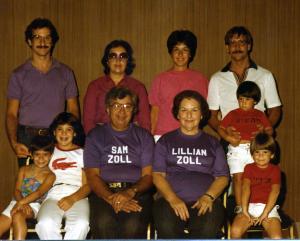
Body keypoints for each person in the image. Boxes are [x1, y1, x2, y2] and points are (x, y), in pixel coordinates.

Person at [152, 90, 229, 239]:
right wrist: (173, 199)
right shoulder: (165, 141)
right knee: (167, 226)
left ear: (201, 115)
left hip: (205, 202)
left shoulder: (213, 143)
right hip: (169, 201)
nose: (189, 115)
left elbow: (222, 177)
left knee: (207, 228)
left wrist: (208, 196)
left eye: (194, 110)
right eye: (184, 110)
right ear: (177, 114)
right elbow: (157, 175)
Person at [6, 17, 79, 167]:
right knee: (30, 186)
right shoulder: (18, 74)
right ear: (29, 41)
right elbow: (11, 114)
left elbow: (73, 109)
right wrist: (14, 143)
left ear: (53, 41)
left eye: (47, 37)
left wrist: (71, 137)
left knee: (57, 185)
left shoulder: (66, 73)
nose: (42, 42)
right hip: (27, 139)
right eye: (37, 37)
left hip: (57, 137)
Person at [84, 87, 154, 239]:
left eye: (127, 106)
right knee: (103, 223)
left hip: (137, 192)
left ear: (134, 110)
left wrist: (130, 192)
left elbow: (148, 176)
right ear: (108, 109)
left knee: (132, 225)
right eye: (116, 106)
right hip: (104, 191)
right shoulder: (94, 136)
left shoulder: (144, 137)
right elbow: (92, 176)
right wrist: (112, 198)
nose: (122, 112)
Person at [207, 26, 282, 138]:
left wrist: (265, 131)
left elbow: (275, 109)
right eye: (232, 43)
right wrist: (224, 131)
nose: (237, 46)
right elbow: (211, 115)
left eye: (241, 42)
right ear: (227, 48)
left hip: (258, 142)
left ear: (249, 46)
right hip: (229, 140)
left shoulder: (265, 75)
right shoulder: (217, 78)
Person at [218, 81, 273, 212]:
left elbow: (270, 130)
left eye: (247, 99)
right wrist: (228, 138)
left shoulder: (259, 114)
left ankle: (254, 204)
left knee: (253, 178)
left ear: (255, 101)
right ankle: (239, 207)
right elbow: (221, 128)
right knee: (238, 178)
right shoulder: (233, 113)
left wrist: (263, 132)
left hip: (254, 150)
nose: (243, 102)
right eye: (240, 99)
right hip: (237, 149)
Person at [35, 112, 90, 240]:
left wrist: (72, 198)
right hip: (53, 194)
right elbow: (35, 175)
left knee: (81, 224)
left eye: (68, 130)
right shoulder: (48, 151)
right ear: (54, 132)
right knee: (45, 224)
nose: (64, 133)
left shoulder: (83, 153)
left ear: (75, 133)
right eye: (60, 129)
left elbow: (88, 185)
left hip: (78, 194)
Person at [149, 30, 208, 141]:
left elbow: (203, 110)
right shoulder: (160, 79)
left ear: (191, 54)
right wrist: (151, 135)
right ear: (171, 52)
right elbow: (154, 110)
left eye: (185, 50)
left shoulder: (200, 79)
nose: (180, 54)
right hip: (163, 135)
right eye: (176, 49)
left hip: (191, 135)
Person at [83, 39, 150, 134]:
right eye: (113, 56)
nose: (118, 60)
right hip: (101, 137)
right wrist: (95, 142)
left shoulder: (138, 87)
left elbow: (145, 123)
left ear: (128, 61)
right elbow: (88, 121)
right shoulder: (95, 86)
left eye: (123, 56)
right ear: (107, 61)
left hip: (130, 138)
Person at [0, 136, 55, 240]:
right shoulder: (23, 170)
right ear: (31, 155)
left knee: (18, 216)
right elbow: (17, 190)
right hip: (16, 201)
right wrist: (20, 202)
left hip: (34, 205)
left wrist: (22, 204)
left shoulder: (50, 175)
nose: (41, 158)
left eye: (45, 155)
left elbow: (39, 193)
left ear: (51, 155)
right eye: (37, 154)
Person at [230, 132, 281, 239]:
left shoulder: (275, 170)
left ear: (272, 155)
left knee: (276, 237)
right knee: (235, 231)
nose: (260, 155)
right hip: (248, 206)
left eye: (265, 152)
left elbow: (275, 192)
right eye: (257, 152)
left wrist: (265, 213)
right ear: (252, 154)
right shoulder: (248, 168)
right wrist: (244, 210)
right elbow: (245, 188)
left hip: (268, 209)